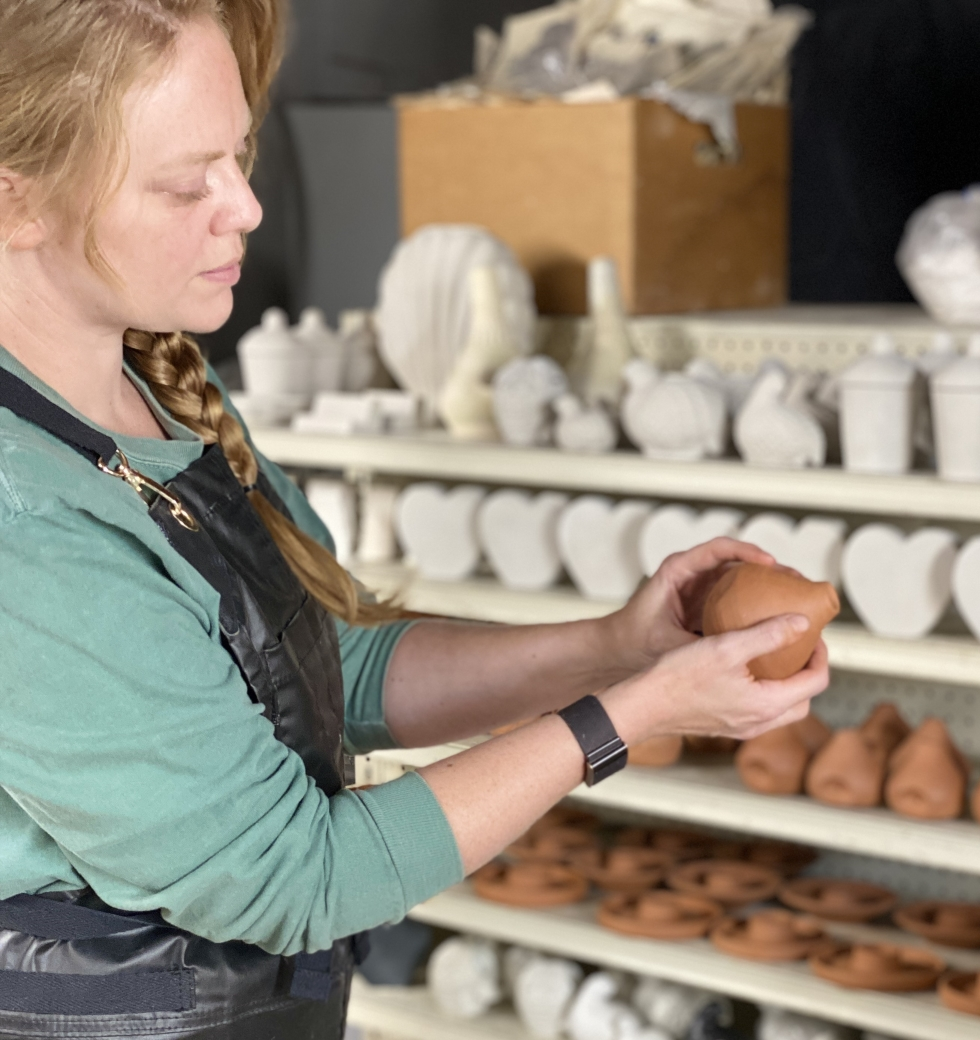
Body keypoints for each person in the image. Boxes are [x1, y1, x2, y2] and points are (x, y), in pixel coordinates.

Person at [0, 1, 830, 1036]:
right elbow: (291, 874)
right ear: (15, 200)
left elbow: (322, 675)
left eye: (238, 156)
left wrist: (614, 647)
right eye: (184, 182)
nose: (245, 207)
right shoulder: (23, 525)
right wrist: (625, 718)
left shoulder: (152, 379)